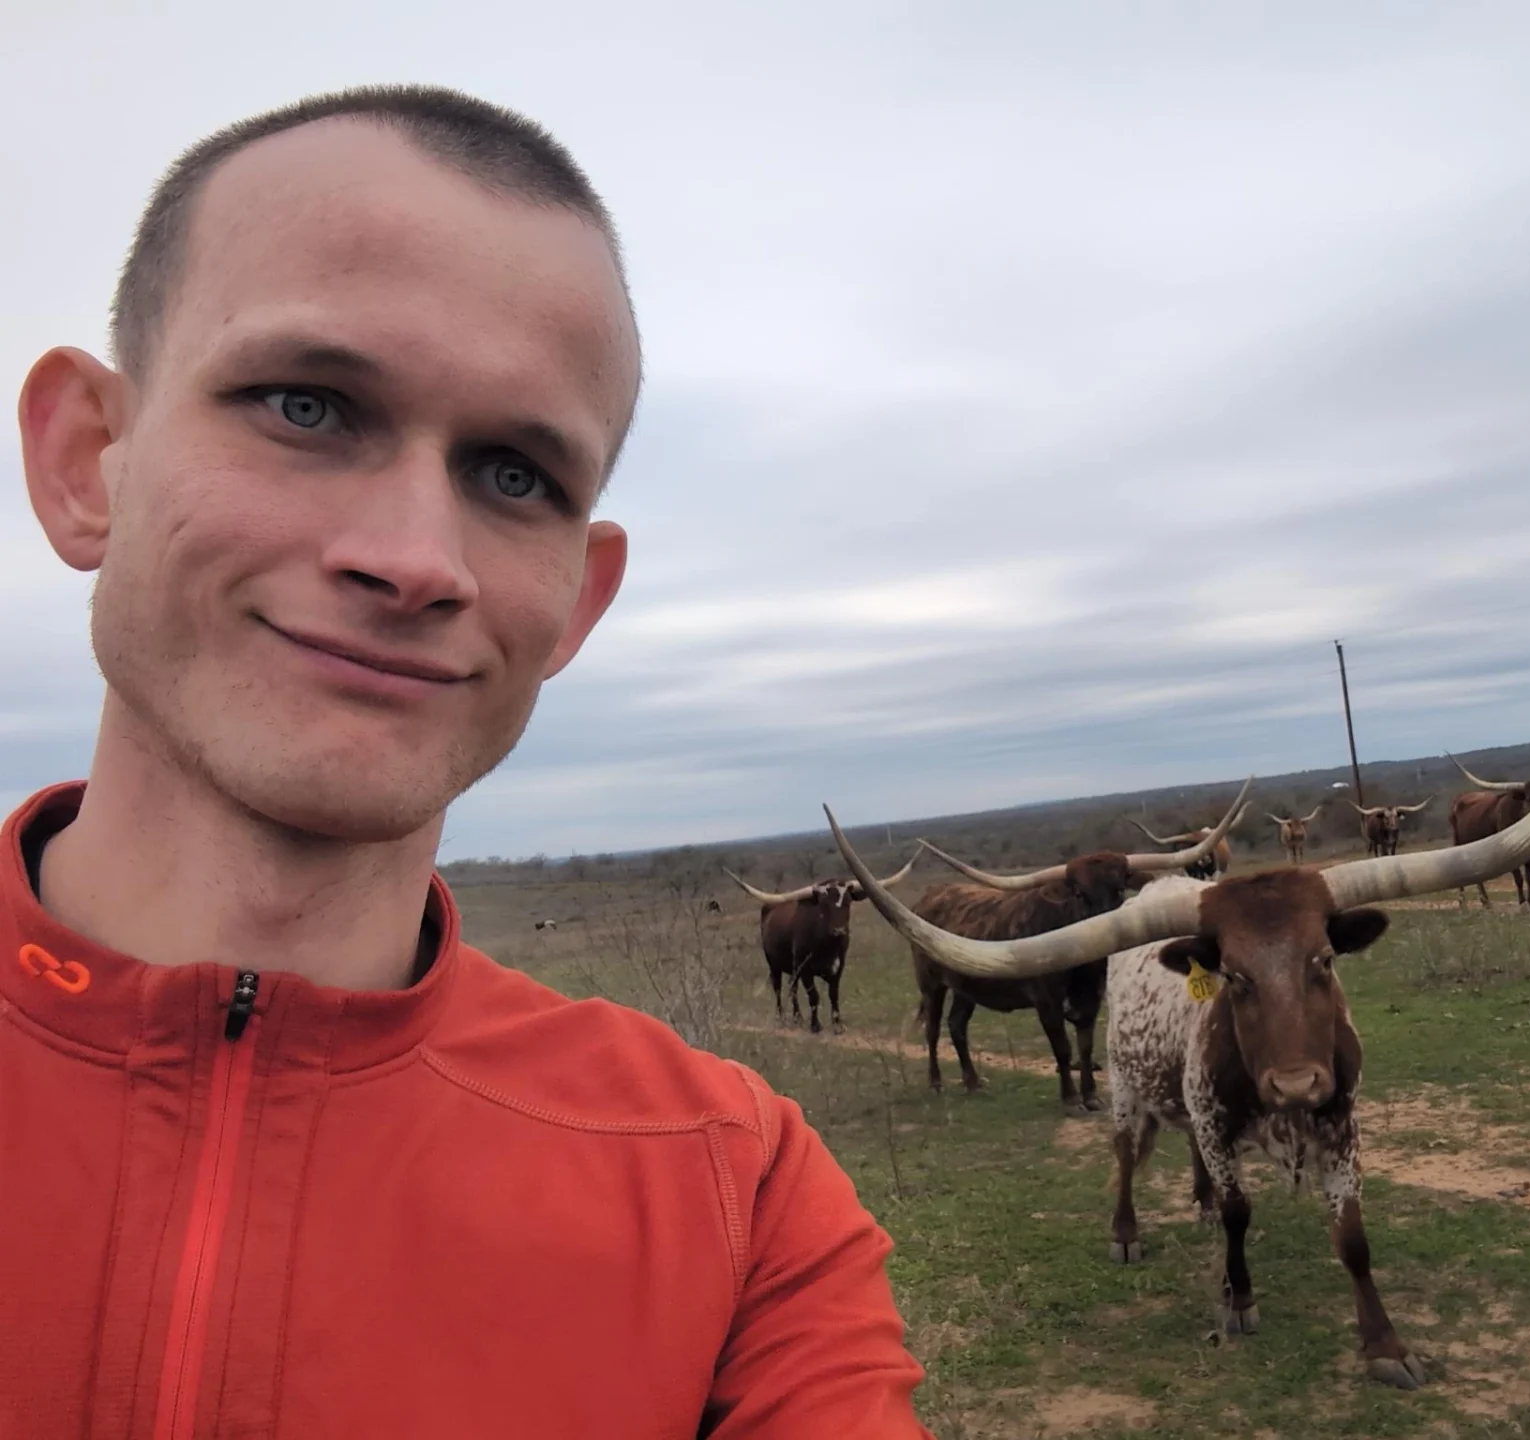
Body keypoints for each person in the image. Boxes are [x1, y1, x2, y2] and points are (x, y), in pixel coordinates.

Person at [5, 85, 932, 1438]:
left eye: (514, 478)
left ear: (576, 603)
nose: (416, 557)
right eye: (308, 406)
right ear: (90, 460)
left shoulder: (735, 1202)